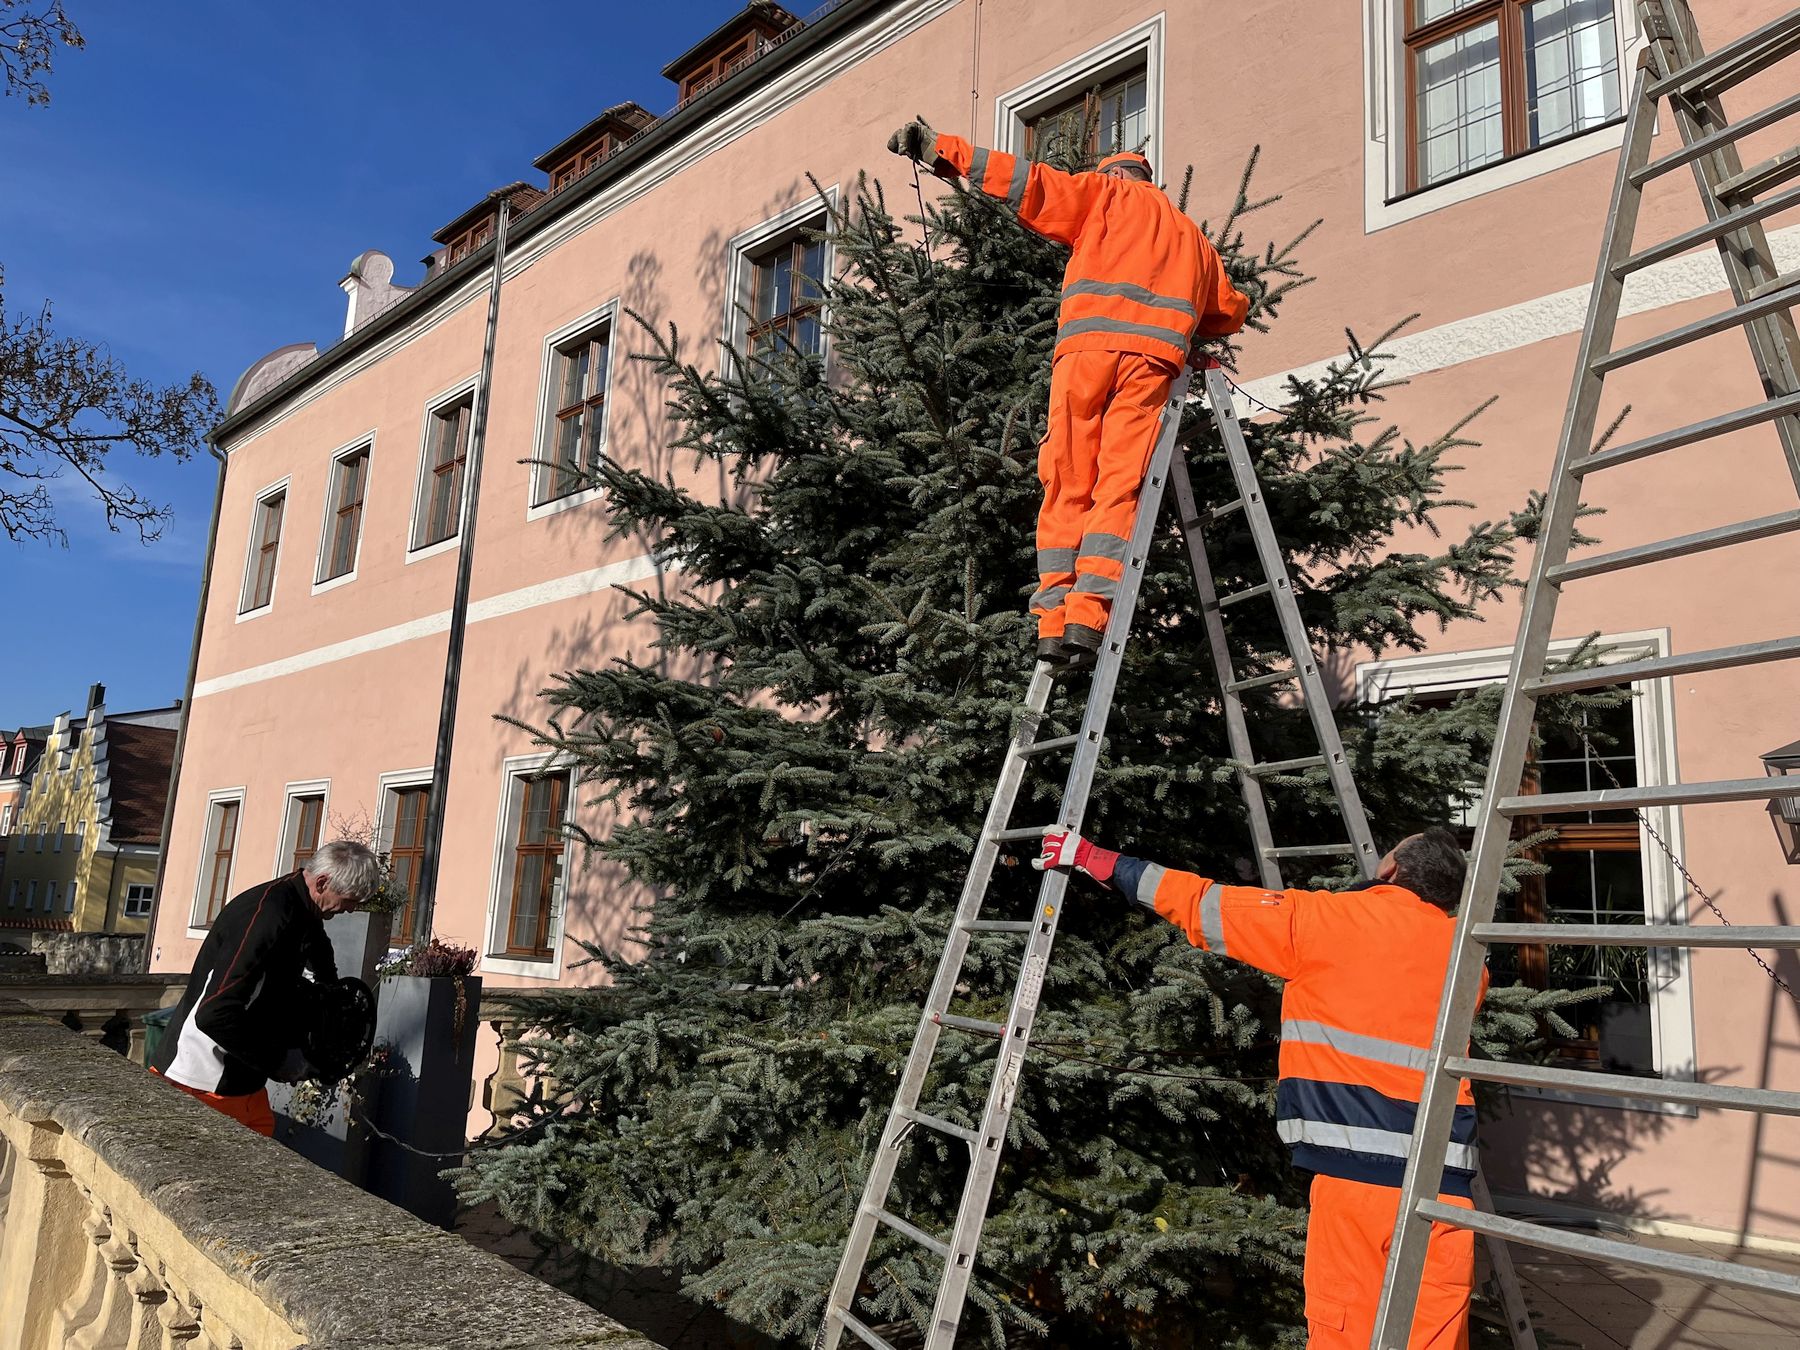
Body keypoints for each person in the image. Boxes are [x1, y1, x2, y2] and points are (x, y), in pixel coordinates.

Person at [1036, 825, 1484, 1350]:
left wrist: (1099, 860)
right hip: (1447, 1189)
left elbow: (1204, 904)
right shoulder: (1470, 958)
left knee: (1348, 1331)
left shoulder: (1326, 920)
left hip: (1357, 1182)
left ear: (1389, 870)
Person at [887, 117, 1249, 670]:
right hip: (1152, 364)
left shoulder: (1101, 194)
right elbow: (1228, 311)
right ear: (1149, 180)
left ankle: (1052, 618)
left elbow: (1025, 182)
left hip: (1086, 354)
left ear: (1112, 174)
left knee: (1067, 474)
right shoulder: (1191, 236)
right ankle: (1088, 615)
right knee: (1121, 481)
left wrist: (942, 151)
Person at [149, 839, 381, 1136]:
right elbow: (213, 1014)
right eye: (350, 899)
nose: (351, 909)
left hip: (244, 1078)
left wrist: (331, 1002)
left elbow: (320, 955)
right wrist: (281, 1061)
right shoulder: (267, 915)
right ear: (322, 882)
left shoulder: (305, 907)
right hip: (201, 1079)